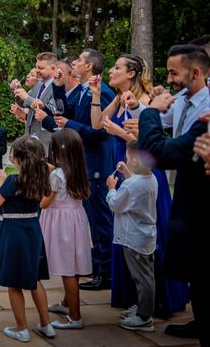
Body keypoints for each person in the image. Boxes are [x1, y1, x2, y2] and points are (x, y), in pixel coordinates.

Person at [90, 54, 188, 317]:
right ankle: (134, 298)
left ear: (131, 73)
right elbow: (97, 124)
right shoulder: (119, 97)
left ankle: (156, 301)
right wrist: (98, 95)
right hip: (125, 169)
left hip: (143, 171)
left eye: (117, 67)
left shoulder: (144, 99)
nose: (112, 70)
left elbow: (146, 139)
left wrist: (121, 133)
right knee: (126, 231)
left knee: (145, 235)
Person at [137, 48, 209, 342]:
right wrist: (143, 112)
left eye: (173, 73)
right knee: (195, 267)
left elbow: (158, 150)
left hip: (201, 194)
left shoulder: (207, 111)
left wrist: (151, 113)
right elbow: (163, 129)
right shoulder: (183, 100)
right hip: (187, 189)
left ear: (195, 73)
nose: (169, 79)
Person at [54, 49, 115, 291]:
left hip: (97, 166)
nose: (75, 63)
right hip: (84, 165)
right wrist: (59, 87)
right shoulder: (81, 90)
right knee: (92, 221)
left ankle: (106, 273)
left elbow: (100, 132)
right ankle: (99, 268)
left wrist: (70, 124)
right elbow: (63, 111)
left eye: (79, 60)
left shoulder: (104, 93)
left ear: (88, 66)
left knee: (100, 222)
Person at [0, 136, 56, 343]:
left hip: (14, 232)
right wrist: (39, 163)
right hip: (33, 229)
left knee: (14, 282)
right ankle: (46, 324)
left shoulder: (12, 181)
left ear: (17, 159)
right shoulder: (42, 179)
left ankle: (21, 328)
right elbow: (49, 170)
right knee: (34, 279)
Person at [41, 129, 91, 329]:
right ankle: (66, 303)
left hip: (61, 224)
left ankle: (75, 317)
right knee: (74, 264)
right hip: (76, 219)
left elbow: (45, 204)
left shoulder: (56, 176)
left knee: (67, 270)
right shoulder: (77, 170)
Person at [106, 140, 158, 332]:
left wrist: (111, 188)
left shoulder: (131, 185)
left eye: (128, 157)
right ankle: (142, 307)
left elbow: (116, 204)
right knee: (145, 274)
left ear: (135, 160)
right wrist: (127, 173)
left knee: (142, 278)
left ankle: (144, 316)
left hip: (134, 237)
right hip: (146, 235)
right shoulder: (151, 178)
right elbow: (135, 191)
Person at [12, 52, 57, 155]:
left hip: (45, 142)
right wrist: (16, 89)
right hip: (30, 137)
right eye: (36, 67)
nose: (37, 70)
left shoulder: (57, 86)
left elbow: (52, 111)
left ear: (53, 69)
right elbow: (23, 103)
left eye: (41, 68)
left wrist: (27, 97)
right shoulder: (39, 84)